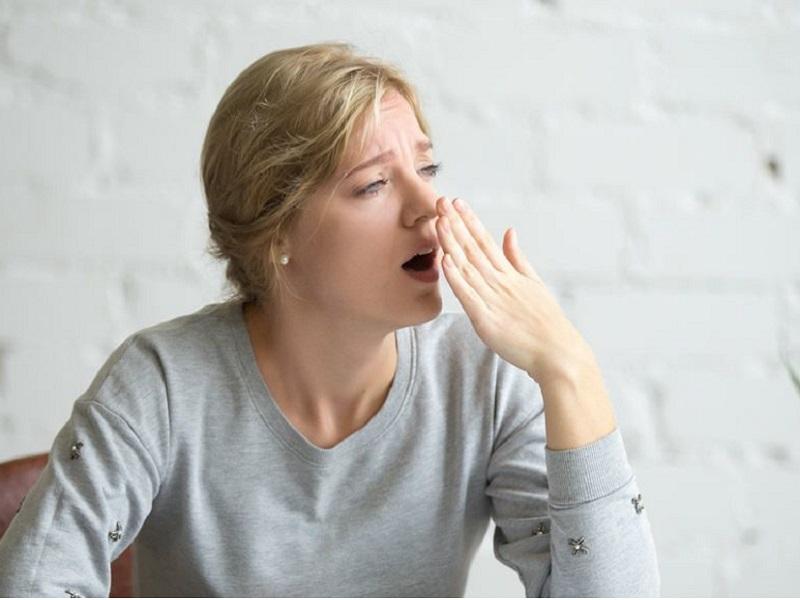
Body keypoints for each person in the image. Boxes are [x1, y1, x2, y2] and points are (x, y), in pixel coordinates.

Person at [0, 41, 660, 596]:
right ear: (276, 233)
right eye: (374, 184)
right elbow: (35, 580)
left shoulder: (484, 378)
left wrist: (570, 369)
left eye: (427, 167)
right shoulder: (162, 383)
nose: (429, 205)